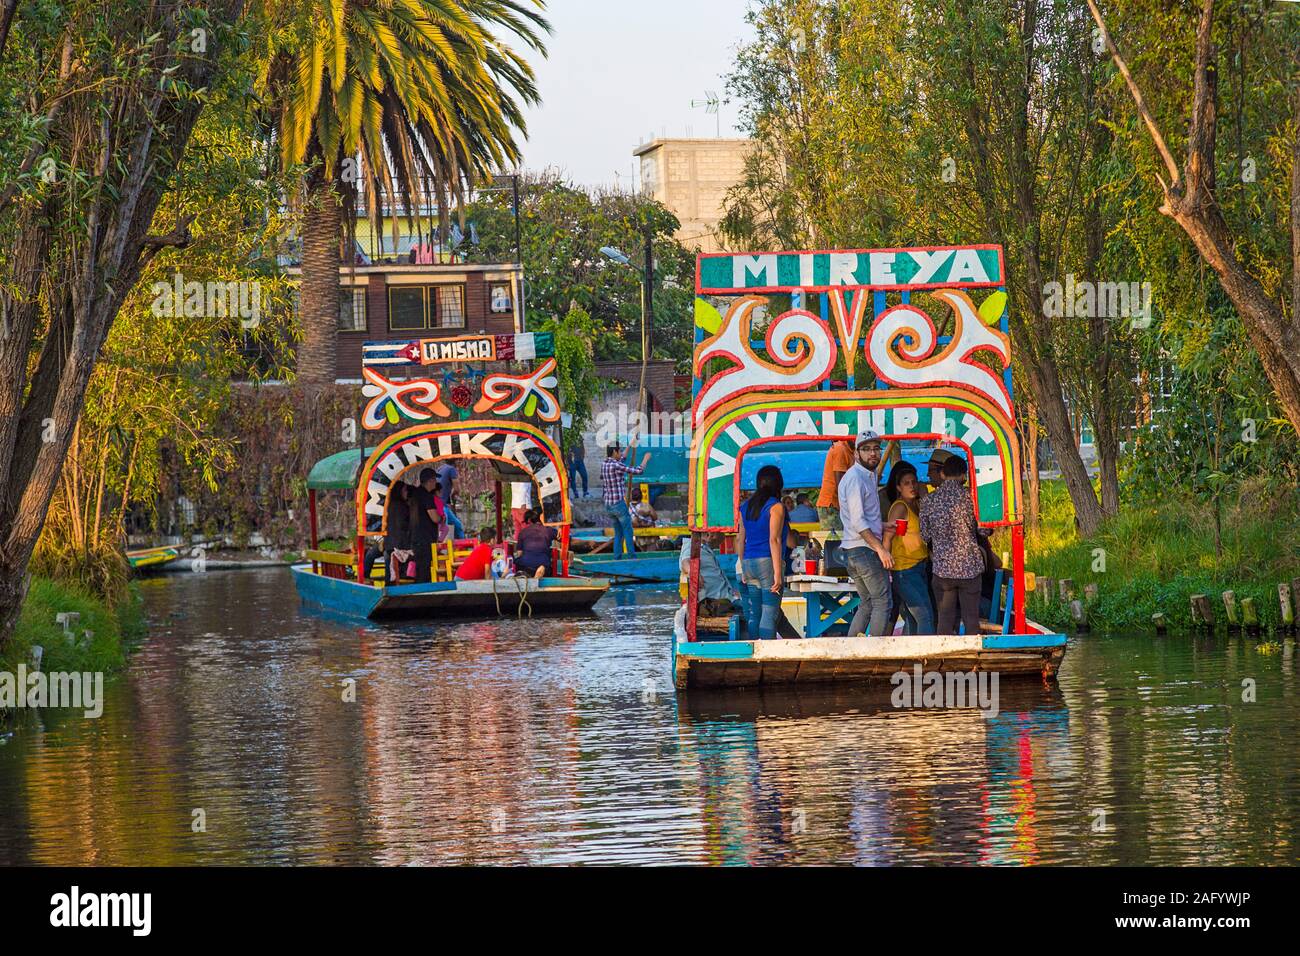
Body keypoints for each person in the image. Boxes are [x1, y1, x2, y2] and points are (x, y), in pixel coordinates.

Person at [919, 454, 985, 635]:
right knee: (971, 618)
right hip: (970, 567)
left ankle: (944, 660)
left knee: (945, 618)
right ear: (964, 475)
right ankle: (973, 660)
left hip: (942, 569)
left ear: (942, 474)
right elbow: (983, 530)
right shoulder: (972, 498)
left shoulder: (928, 501)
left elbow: (924, 536)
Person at [837, 430, 894, 637]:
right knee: (883, 601)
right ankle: (874, 653)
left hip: (856, 549)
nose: (873, 453)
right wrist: (881, 550)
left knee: (868, 603)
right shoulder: (855, 478)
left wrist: (882, 524)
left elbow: (864, 517)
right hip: (863, 549)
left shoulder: (868, 476)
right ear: (856, 453)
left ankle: (852, 650)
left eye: (876, 449)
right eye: (867, 449)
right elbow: (858, 522)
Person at [734, 464, 788, 640]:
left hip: (749, 562)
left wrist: (742, 566)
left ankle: (755, 652)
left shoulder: (745, 506)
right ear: (778, 484)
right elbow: (775, 540)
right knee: (769, 613)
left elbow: (740, 539)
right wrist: (778, 573)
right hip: (767, 563)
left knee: (754, 613)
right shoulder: (776, 507)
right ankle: (768, 655)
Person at [882, 469, 935, 634]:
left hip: (918, 567)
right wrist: (886, 564)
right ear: (898, 487)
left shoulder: (917, 505)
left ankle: (912, 658)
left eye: (914, 482)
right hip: (904, 569)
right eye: (906, 483)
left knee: (912, 618)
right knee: (924, 614)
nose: (912, 486)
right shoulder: (900, 508)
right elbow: (888, 537)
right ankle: (926, 655)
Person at [601, 444, 650, 558]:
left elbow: (623, 458)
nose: (621, 453)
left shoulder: (605, 464)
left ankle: (617, 557)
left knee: (619, 533)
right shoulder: (616, 465)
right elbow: (638, 471)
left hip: (608, 505)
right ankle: (632, 558)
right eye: (619, 451)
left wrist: (630, 445)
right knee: (628, 531)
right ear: (614, 452)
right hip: (618, 505)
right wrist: (645, 459)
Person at [679, 532, 739, 617]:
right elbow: (685, 562)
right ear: (710, 535)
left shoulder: (705, 548)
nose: (719, 543)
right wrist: (693, 573)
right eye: (719, 540)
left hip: (728, 597)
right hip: (716, 602)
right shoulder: (692, 547)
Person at [411, 468, 447, 583]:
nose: (435, 483)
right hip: (425, 538)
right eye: (434, 480)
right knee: (424, 570)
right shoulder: (426, 496)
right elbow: (434, 518)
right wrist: (442, 518)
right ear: (430, 481)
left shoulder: (414, 494)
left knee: (420, 569)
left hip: (415, 536)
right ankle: (422, 595)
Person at [816, 438, 855, 529]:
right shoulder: (840, 449)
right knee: (834, 539)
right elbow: (840, 485)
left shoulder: (853, 451)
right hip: (831, 505)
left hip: (840, 504)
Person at [384, 481, 418, 582]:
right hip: (399, 544)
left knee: (389, 570)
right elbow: (403, 525)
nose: (406, 493)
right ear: (399, 492)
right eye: (404, 490)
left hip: (389, 542)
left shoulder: (388, 505)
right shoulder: (401, 506)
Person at [514, 508, 558, 578]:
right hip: (543, 566)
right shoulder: (549, 530)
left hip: (525, 566)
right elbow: (564, 538)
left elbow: (519, 553)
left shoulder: (523, 532)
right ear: (542, 517)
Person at [434, 461, 465, 541]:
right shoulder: (451, 469)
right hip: (440, 506)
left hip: (444, 504)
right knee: (445, 529)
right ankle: (441, 549)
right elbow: (457, 488)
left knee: (458, 525)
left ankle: (462, 544)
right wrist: (453, 495)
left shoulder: (441, 468)